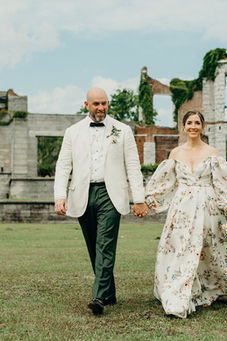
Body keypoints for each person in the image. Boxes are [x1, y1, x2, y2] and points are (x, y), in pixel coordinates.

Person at [145, 110, 227, 318]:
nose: (193, 126)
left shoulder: (212, 153)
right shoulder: (175, 154)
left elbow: (223, 182)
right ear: (183, 126)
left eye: (197, 123)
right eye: (189, 123)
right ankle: (181, 289)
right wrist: (147, 203)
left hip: (208, 208)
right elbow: (165, 183)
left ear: (203, 127)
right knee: (182, 247)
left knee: (213, 249)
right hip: (182, 210)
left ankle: (213, 284)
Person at [54, 88, 149, 315]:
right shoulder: (72, 132)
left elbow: (133, 166)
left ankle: (98, 297)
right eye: (96, 104)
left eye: (104, 103)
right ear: (86, 104)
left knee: (105, 243)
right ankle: (109, 292)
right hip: (82, 193)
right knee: (93, 245)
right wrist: (60, 195)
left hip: (111, 193)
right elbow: (63, 165)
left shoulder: (123, 130)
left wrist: (139, 199)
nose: (101, 108)